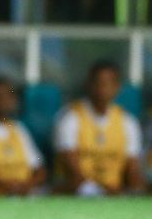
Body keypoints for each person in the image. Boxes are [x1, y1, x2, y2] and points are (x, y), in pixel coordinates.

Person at [55, 60, 145, 196]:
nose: (102, 88)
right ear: (89, 85)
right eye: (98, 83)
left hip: (114, 194)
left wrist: (134, 190)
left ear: (117, 87)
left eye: (108, 83)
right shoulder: (70, 117)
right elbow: (71, 169)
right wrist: (98, 190)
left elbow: (133, 169)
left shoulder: (128, 121)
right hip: (78, 195)